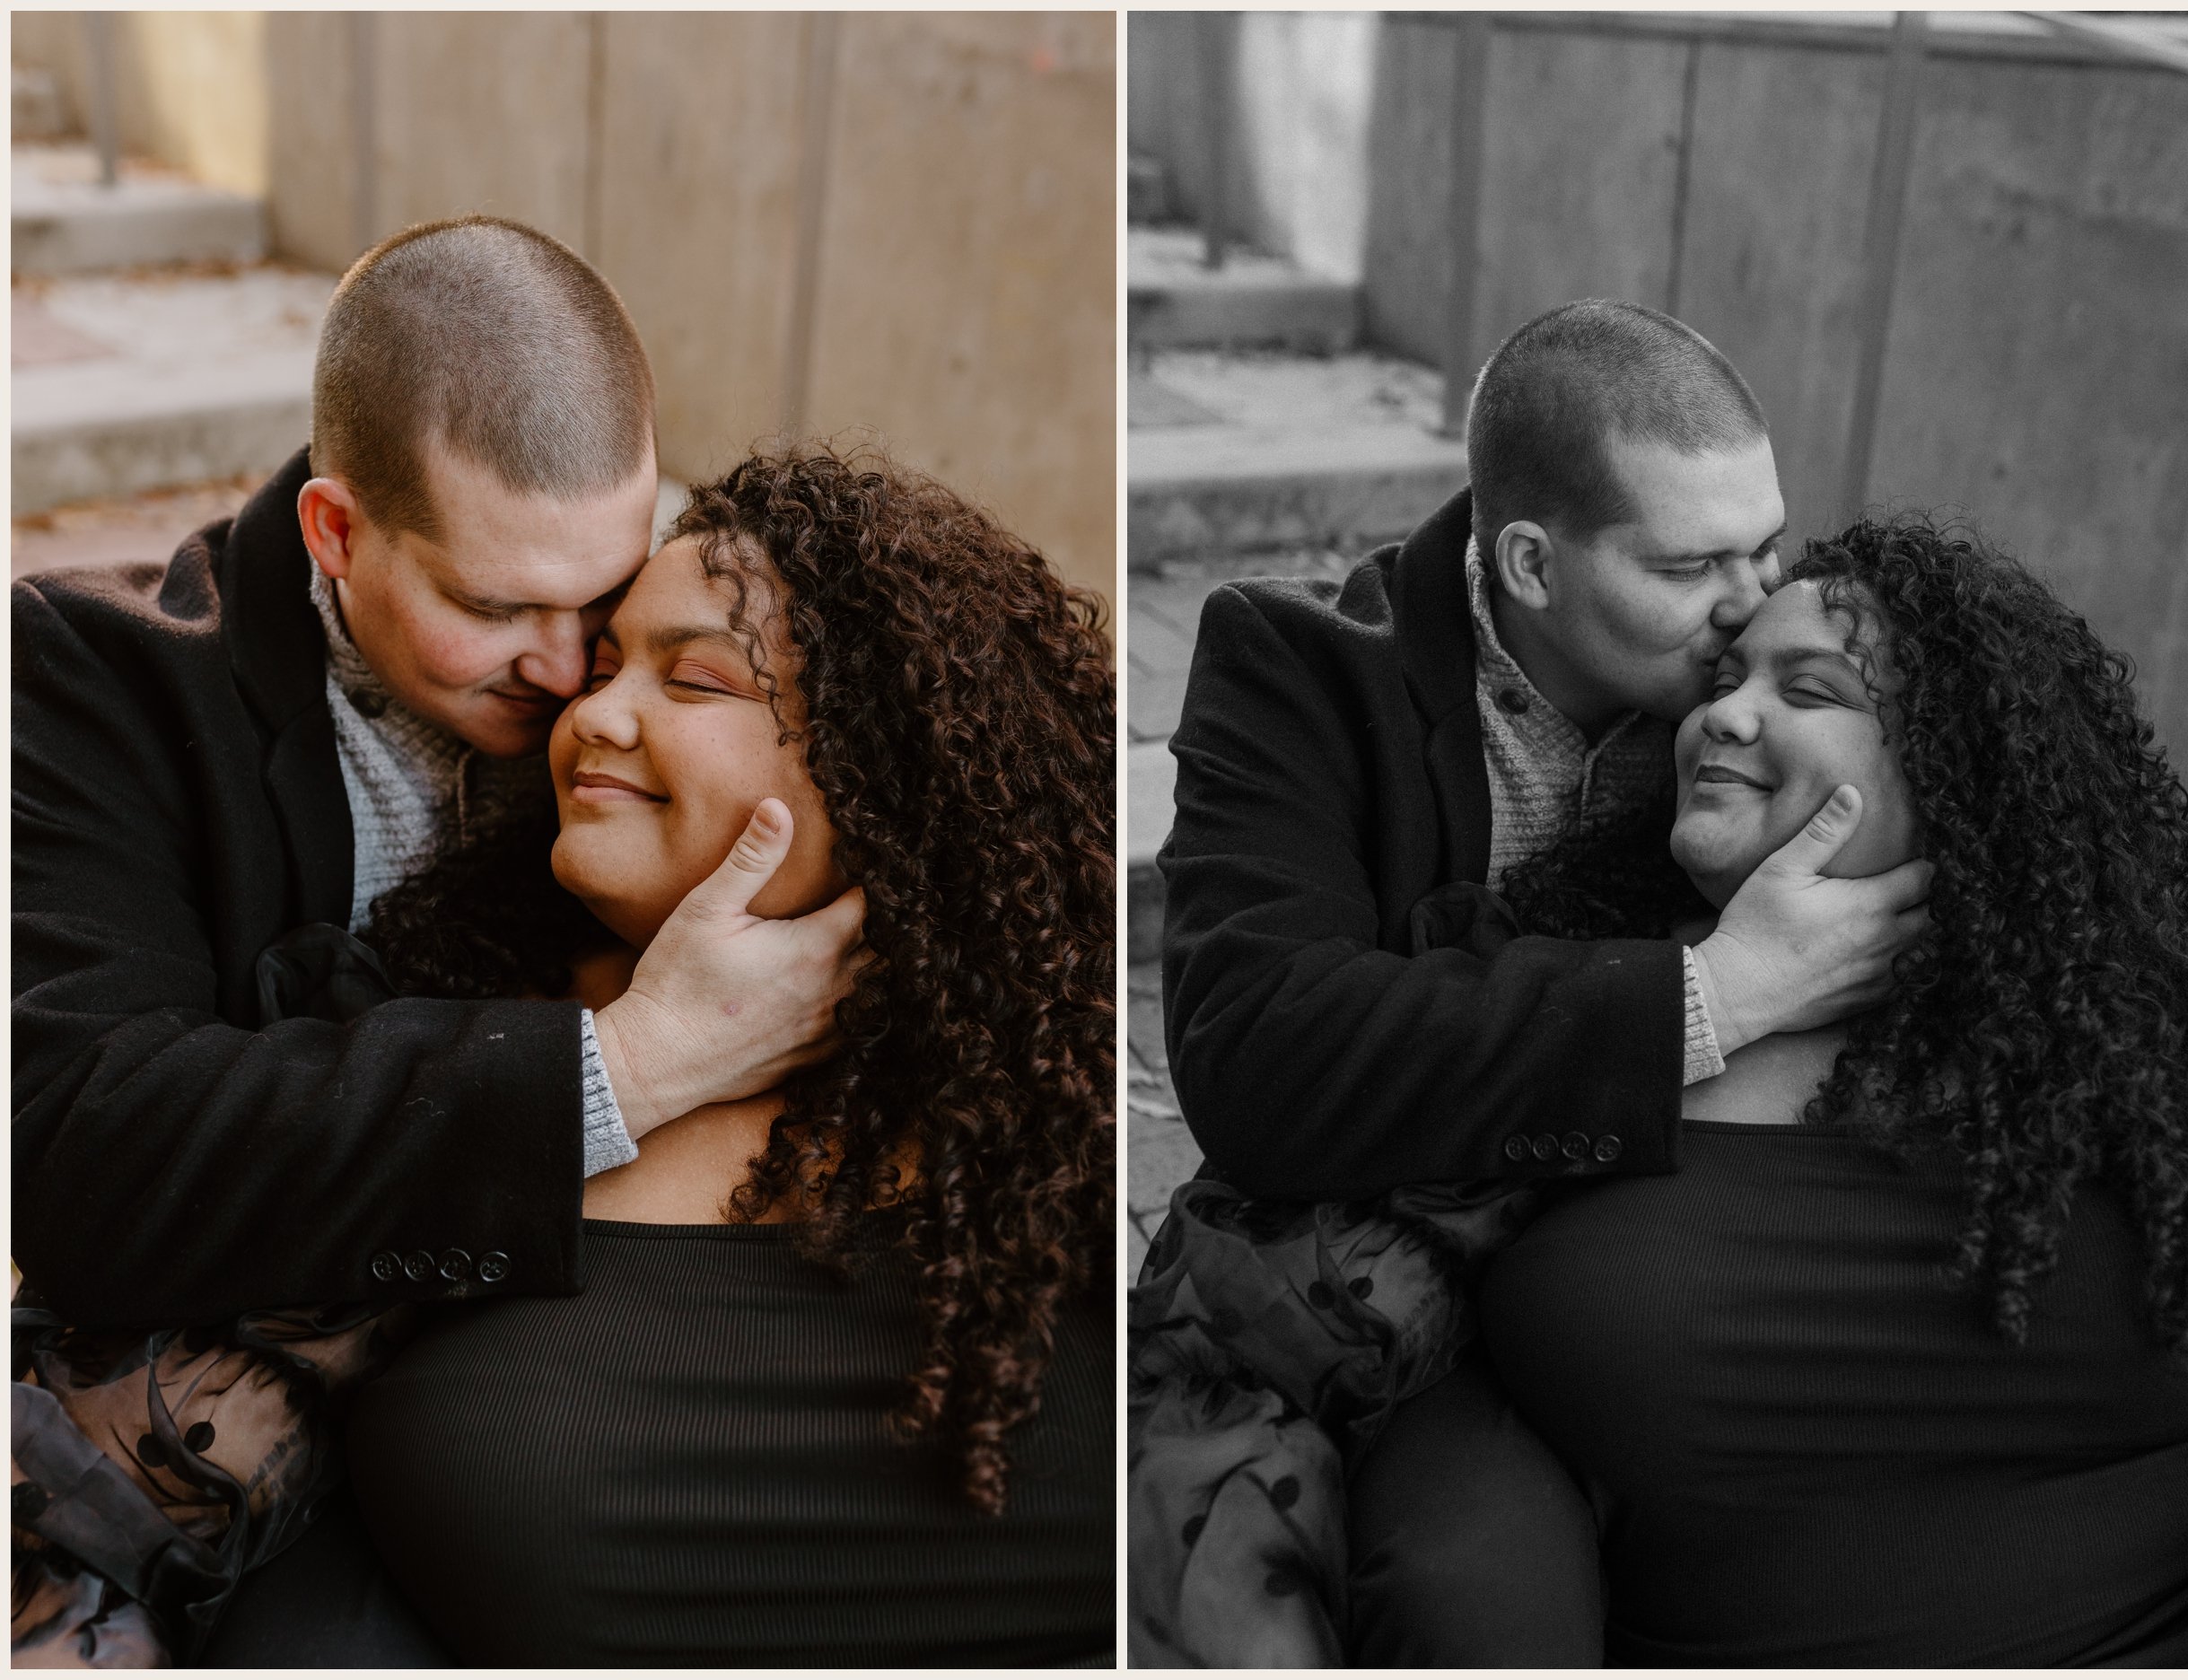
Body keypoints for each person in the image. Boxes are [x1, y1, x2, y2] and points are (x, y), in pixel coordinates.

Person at [1142, 299, 1930, 1662]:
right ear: (1531, 562)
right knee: (1477, 1590)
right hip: (1422, 1311)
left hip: (1704, 1271)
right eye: (1693, 567)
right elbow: (1258, 1048)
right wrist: (1714, 993)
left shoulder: (1751, 694)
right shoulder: (1297, 676)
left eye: (1767, 543)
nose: (1749, 605)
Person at [290, 447, 1115, 1665]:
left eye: (699, 682)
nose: (595, 712)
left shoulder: (1057, 1124)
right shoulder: (409, 1036)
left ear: (890, 770)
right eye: (610, 667)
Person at [13, 214, 863, 1334]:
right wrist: (634, 1062)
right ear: (336, 533)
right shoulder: (80, 676)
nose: (571, 674)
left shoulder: (646, 697)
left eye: (602, 595)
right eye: (492, 607)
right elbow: (90, 1162)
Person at [1478, 513, 2188, 1666]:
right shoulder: (1578, 993)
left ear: (1957, 765)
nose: (1722, 714)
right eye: (1722, 679)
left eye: (1811, 689)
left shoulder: (2164, 1026)